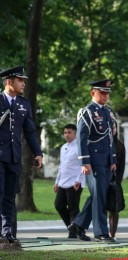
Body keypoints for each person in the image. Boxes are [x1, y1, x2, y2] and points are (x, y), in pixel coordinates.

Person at [68, 79, 117, 242]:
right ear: (93, 93)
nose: (105, 96)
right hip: (93, 161)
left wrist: (113, 159)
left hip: (106, 161)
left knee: (99, 195)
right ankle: (101, 232)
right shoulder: (87, 112)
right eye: (102, 92)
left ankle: (78, 225)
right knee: (99, 196)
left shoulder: (108, 112)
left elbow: (111, 138)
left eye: (107, 93)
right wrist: (84, 162)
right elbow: (82, 138)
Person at [0, 65, 43, 243]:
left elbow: (30, 132)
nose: (23, 84)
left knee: (10, 196)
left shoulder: (24, 104)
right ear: (9, 81)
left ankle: (7, 232)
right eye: (20, 80)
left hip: (14, 157)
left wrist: (37, 152)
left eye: (24, 81)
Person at [53, 124, 85, 238]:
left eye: (69, 132)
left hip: (75, 182)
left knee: (73, 208)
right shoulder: (63, 147)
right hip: (63, 182)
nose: (67, 135)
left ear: (75, 133)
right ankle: (73, 227)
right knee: (59, 205)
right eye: (65, 132)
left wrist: (79, 180)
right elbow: (62, 165)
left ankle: (75, 232)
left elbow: (84, 165)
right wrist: (57, 181)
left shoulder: (80, 147)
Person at [108, 121, 125, 240]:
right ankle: (102, 233)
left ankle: (112, 234)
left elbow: (122, 166)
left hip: (114, 181)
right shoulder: (100, 144)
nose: (112, 129)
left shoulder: (119, 145)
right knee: (101, 208)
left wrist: (118, 181)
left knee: (114, 209)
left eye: (113, 127)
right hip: (102, 179)